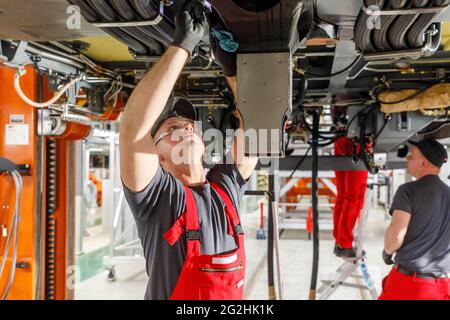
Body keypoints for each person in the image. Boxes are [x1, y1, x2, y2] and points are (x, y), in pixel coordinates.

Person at [119, 1, 258, 300]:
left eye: (188, 125)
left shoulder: (224, 190)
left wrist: (232, 70)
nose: (186, 129)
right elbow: (133, 130)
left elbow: (257, 130)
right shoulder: (157, 199)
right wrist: (182, 45)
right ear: (157, 157)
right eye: (171, 130)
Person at [379, 138, 450, 300]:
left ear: (424, 163)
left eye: (412, 155)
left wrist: (387, 252)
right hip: (442, 286)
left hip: (410, 285)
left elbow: (396, 236)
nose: (407, 158)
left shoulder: (408, 191)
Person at [333, 136, 368, 257]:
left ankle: (341, 242)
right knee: (354, 198)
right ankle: (344, 243)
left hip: (342, 137)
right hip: (360, 139)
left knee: (343, 196)